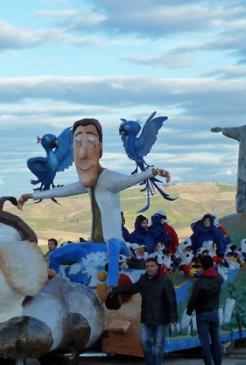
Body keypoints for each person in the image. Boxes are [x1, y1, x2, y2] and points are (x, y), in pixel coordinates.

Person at [18, 118, 171, 286]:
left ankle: (112, 290)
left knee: (112, 247)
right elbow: (63, 191)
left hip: (116, 243)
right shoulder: (88, 184)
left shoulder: (109, 179)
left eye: (90, 141)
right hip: (94, 245)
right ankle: (53, 285)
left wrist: (152, 172)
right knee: (55, 255)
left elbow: (130, 180)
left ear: (99, 148)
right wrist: (32, 195)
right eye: (77, 143)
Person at [107, 257, 177, 365]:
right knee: (144, 341)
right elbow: (132, 288)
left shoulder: (165, 282)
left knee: (159, 344)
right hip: (146, 317)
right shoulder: (143, 280)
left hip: (161, 318)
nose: (149, 268)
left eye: (152, 266)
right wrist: (115, 290)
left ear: (157, 267)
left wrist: (173, 318)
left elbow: (171, 300)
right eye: (147, 266)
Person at [186, 255, 224, 365]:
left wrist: (189, 311)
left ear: (201, 266)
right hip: (214, 311)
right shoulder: (219, 278)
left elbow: (194, 299)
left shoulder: (200, 282)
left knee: (205, 343)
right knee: (216, 341)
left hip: (202, 313)